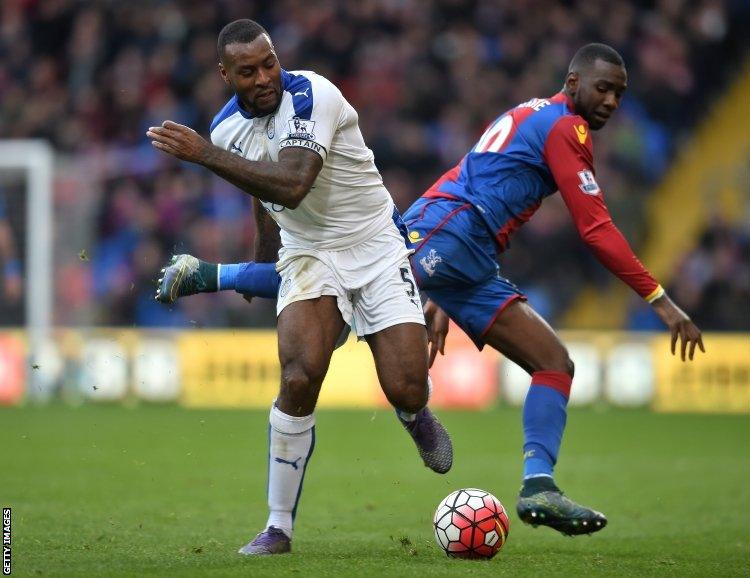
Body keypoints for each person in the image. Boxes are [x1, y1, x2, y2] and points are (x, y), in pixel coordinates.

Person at [157, 42, 706, 537]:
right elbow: (595, 228)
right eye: (602, 88)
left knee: (553, 363)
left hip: (470, 255)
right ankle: (212, 275)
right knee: (330, 305)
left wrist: (438, 292)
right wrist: (662, 301)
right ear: (572, 85)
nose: (610, 101)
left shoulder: (538, 116)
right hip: (447, 227)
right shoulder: (566, 127)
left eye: (619, 93)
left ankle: (538, 484)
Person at [147, 19, 452, 556]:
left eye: (269, 62)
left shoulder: (314, 96)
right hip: (309, 254)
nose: (265, 76)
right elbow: (258, 187)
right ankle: (278, 526)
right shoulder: (224, 132)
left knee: (407, 384)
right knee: (299, 374)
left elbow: (291, 183)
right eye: (249, 71)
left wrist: (203, 156)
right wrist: (267, 259)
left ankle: (412, 413)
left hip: (376, 242)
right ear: (226, 75)